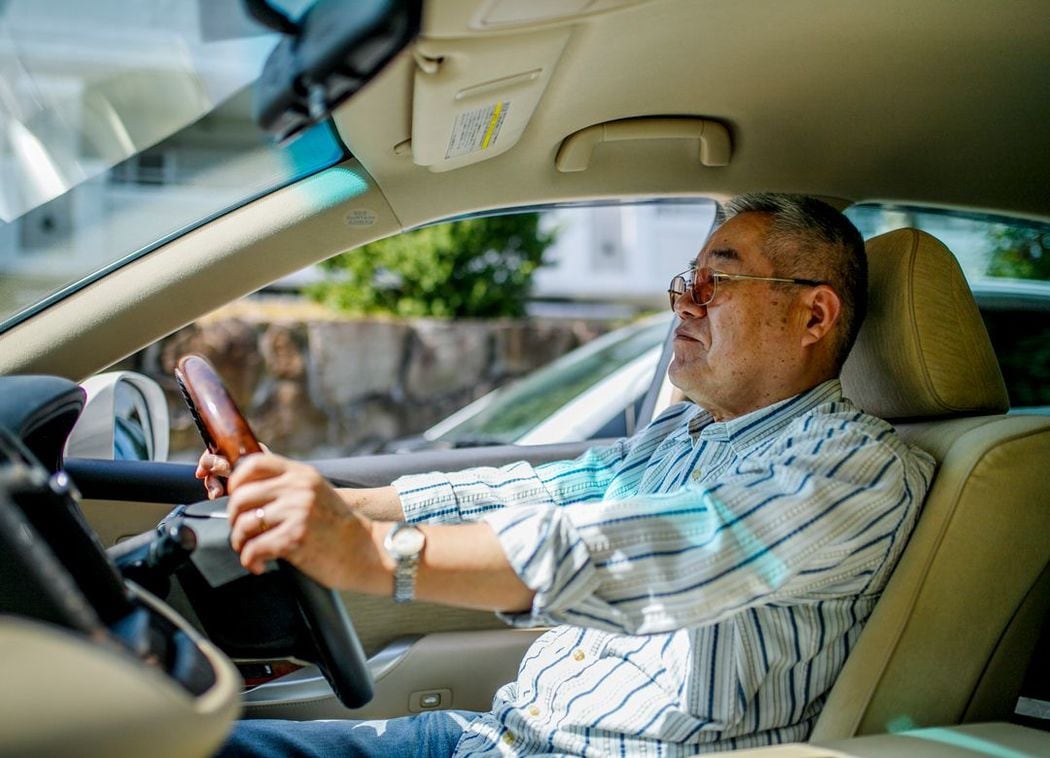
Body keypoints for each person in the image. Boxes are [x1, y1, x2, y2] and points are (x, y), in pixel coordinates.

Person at [204, 194, 936, 756]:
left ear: (814, 317)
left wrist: (375, 555)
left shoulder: (855, 469)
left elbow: (635, 548)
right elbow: (548, 489)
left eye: (719, 283)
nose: (685, 299)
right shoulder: (685, 431)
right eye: (689, 280)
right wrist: (350, 503)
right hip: (495, 736)